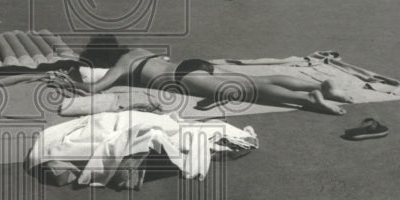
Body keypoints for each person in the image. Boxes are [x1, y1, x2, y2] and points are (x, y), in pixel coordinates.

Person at [66, 35, 351, 115]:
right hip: (192, 65)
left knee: (253, 90)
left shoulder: (122, 65)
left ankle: (308, 100)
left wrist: (72, 83)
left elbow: (95, 89)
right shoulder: (137, 51)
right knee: (256, 81)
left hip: (184, 79)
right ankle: (318, 85)